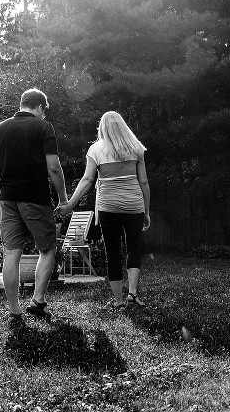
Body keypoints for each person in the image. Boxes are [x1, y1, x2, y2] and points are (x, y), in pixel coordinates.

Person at [0, 88, 69, 327]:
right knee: (47, 249)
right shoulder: (44, 128)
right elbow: (53, 167)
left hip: (8, 199)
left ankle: (14, 311)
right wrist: (63, 198)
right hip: (35, 198)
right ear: (41, 107)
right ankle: (37, 301)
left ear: (22, 104)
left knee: (11, 253)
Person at [57, 111, 151, 311]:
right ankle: (132, 294)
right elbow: (143, 182)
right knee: (134, 248)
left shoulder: (96, 149)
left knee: (113, 252)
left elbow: (88, 180)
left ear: (102, 128)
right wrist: (147, 212)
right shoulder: (136, 148)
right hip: (134, 205)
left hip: (108, 207)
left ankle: (118, 301)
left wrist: (70, 205)